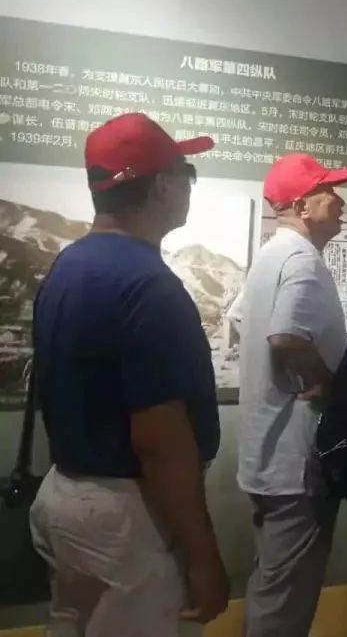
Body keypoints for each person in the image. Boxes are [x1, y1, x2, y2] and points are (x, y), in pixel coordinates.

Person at [29, 112, 228, 636]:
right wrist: (203, 556)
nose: (188, 186)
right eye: (186, 173)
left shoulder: (69, 265)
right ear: (162, 186)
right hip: (126, 516)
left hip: (67, 493)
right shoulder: (149, 286)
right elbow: (161, 442)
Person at [234, 152, 347, 637]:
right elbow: (285, 336)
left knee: (273, 586)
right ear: (303, 205)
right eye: (330, 191)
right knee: (284, 604)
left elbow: (241, 318)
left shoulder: (272, 255)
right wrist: (323, 379)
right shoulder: (302, 260)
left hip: (268, 456)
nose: (340, 200)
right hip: (294, 464)